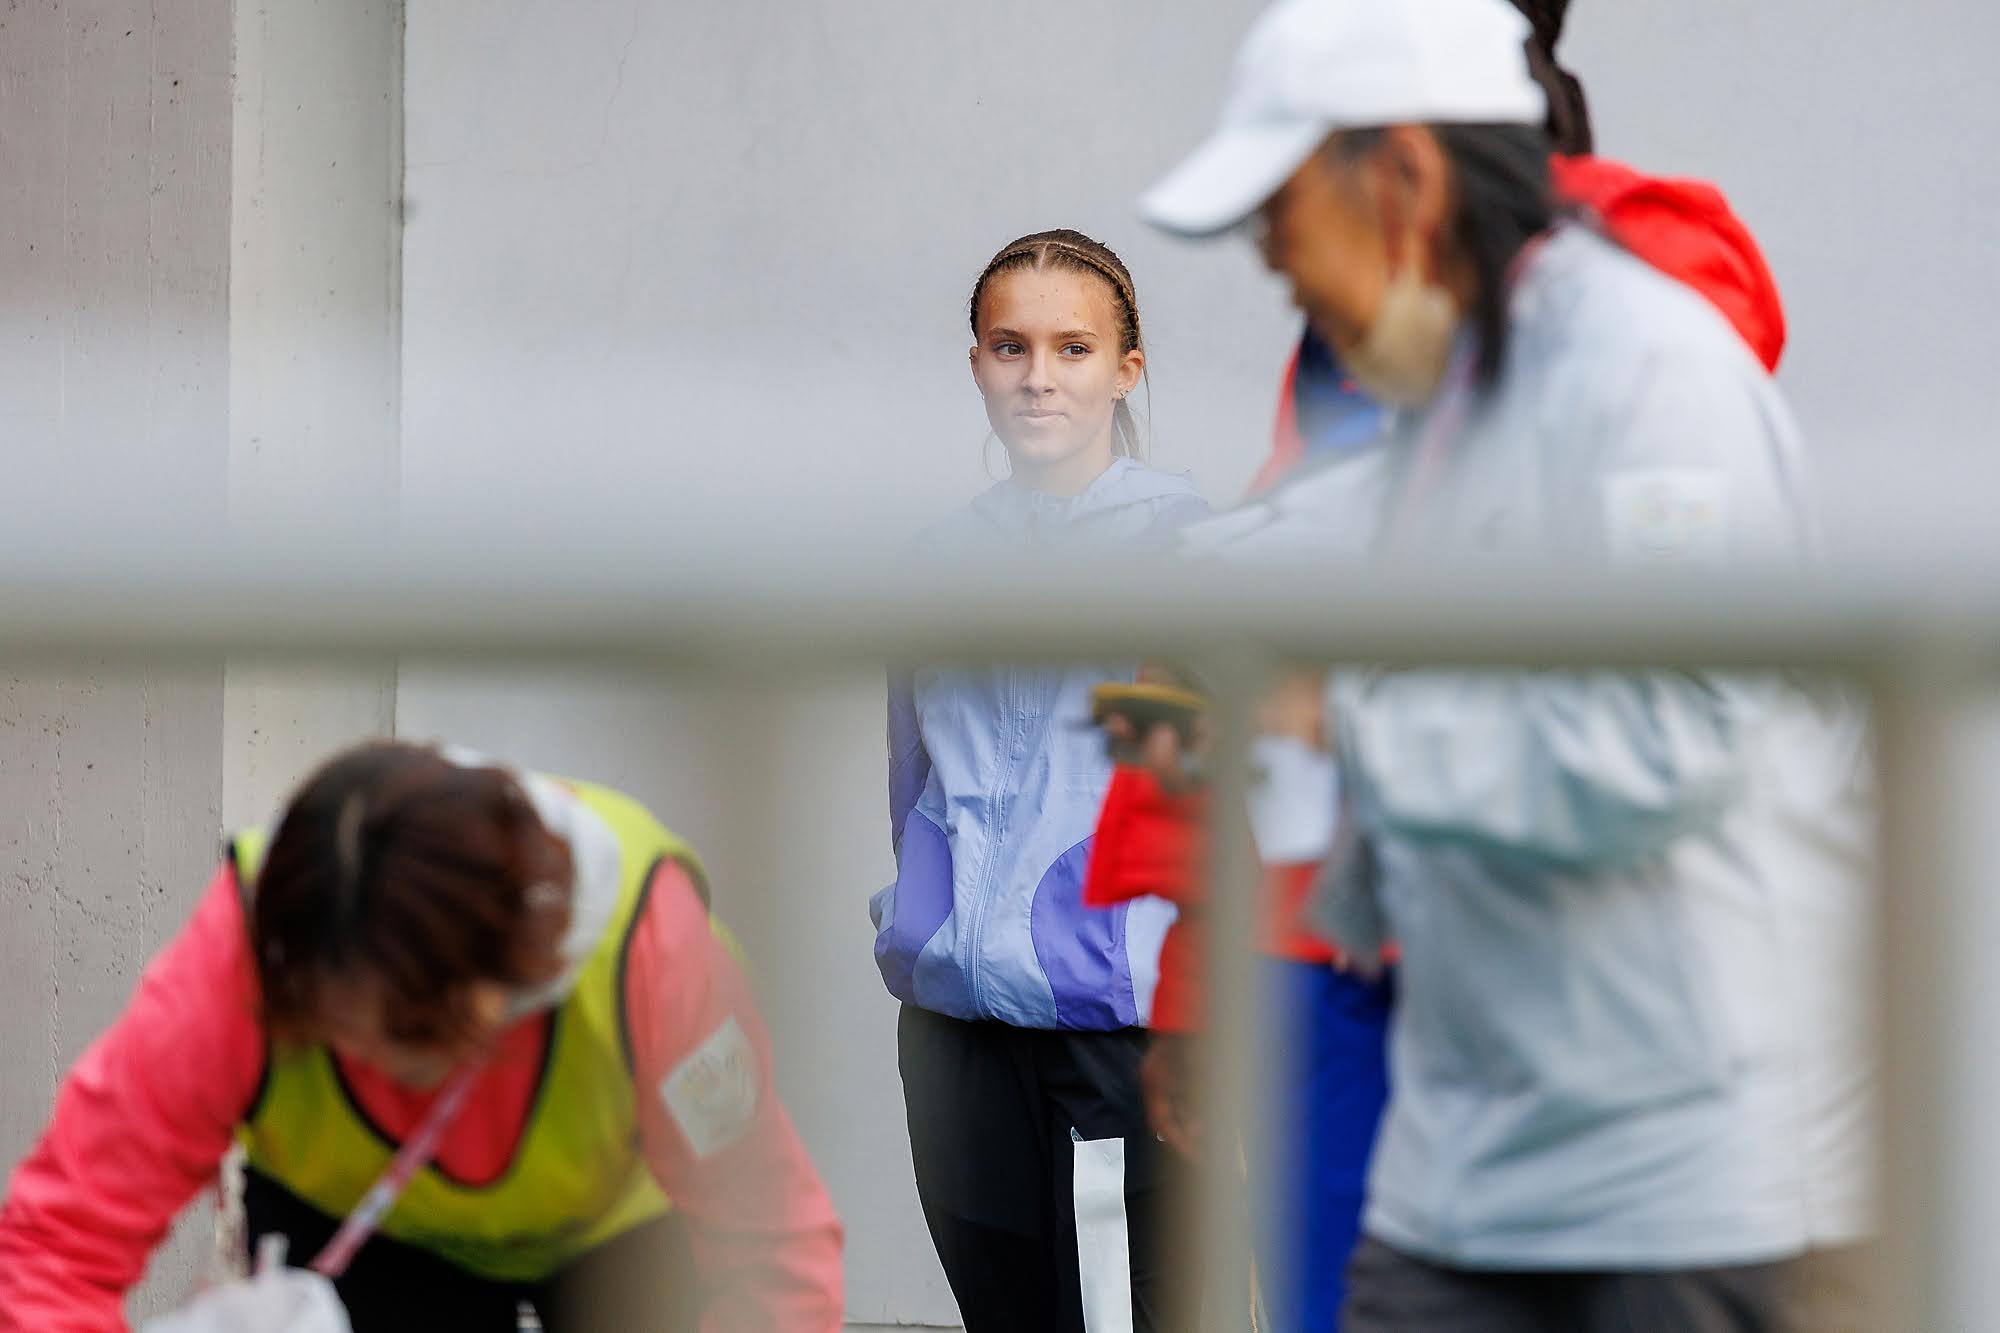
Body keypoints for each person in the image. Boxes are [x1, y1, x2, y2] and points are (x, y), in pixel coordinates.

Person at [1130, 0, 1874, 1330]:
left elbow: (1671, 730)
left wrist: (1337, 720)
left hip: (1689, 1184)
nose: (1274, 267)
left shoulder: (1655, 375)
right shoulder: (1458, 389)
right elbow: (1335, 530)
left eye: (1281, 217)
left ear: (1405, 181)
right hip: (1473, 1167)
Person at [0, 741, 844, 1332]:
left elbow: (775, 1255)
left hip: (620, 1247)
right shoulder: (238, 958)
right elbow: (60, 1245)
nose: (364, 1062)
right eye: (327, 1030)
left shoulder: (654, 957)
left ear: (502, 987)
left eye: (401, 1036)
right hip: (359, 1243)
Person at [869, 229, 1208, 1331]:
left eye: (1073, 348)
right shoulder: (934, 567)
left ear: (1126, 369)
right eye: (1010, 346)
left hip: (1112, 1033)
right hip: (953, 1031)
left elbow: (1210, 804)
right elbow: (911, 781)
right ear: (976, 362)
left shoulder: (1190, 559)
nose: (1038, 377)